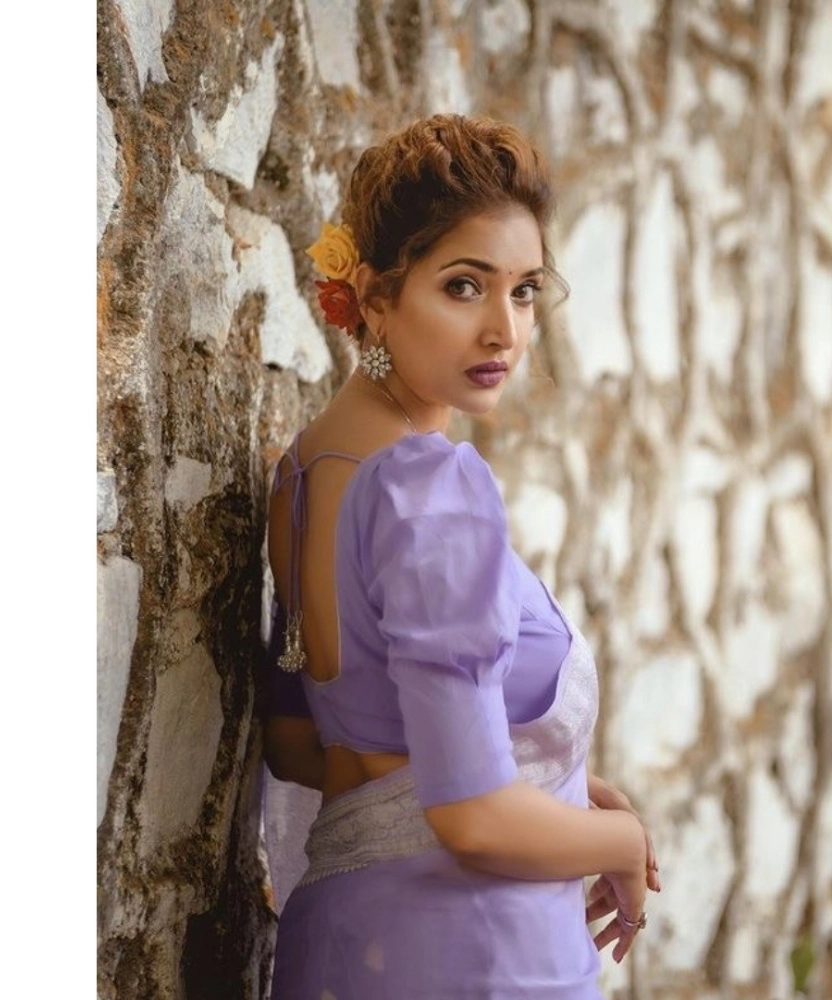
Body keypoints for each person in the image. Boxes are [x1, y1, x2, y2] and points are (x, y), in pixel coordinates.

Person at [262, 113, 659, 1000]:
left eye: (524, 292)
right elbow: (472, 818)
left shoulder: (303, 473)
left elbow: (305, 742)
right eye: (464, 286)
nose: (503, 332)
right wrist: (621, 844)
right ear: (373, 297)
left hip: (342, 946)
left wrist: (559, 789)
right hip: (478, 955)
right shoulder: (431, 486)